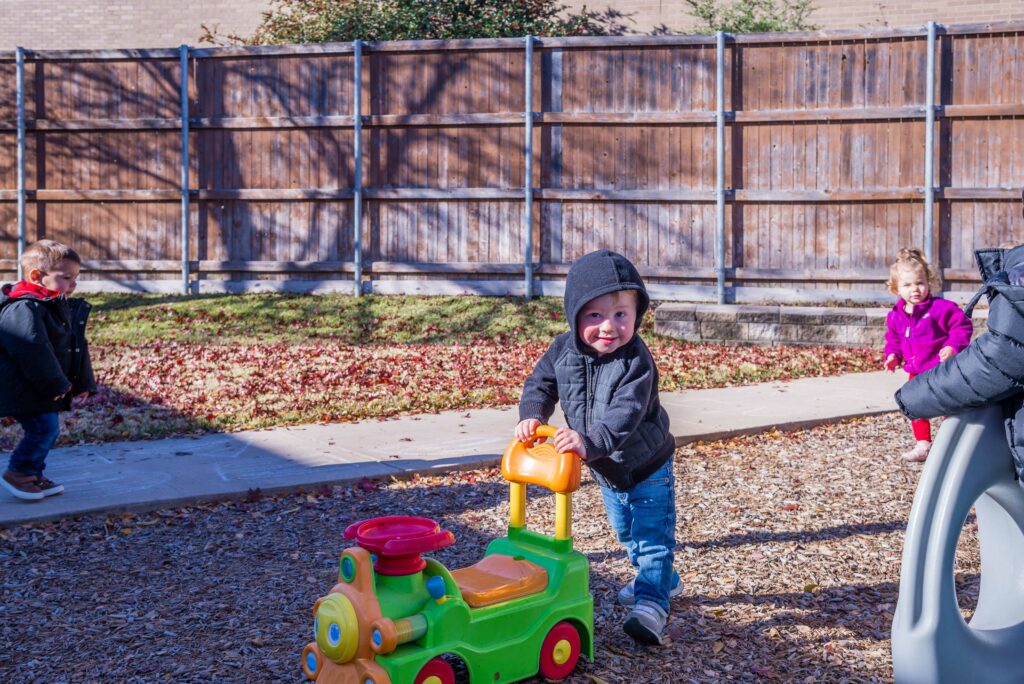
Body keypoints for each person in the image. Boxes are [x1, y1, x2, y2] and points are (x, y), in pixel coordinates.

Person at [515, 249, 678, 646]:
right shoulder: (562, 350)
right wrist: (534, 413)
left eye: (621, 314)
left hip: (648, 464)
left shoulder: (636, 361)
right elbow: (541, 382)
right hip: (606, 469)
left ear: (636, 316)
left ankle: (652, 605)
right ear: (575, 315)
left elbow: (627, 412)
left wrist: (589, 443)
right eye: (595, 315)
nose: (609, 327)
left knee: (652, 536)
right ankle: (663, 578)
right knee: (627, 533)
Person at [0, 239, 96, 501]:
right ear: (37, 276)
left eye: (75, 277)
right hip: (25, 386)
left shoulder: (54, 305)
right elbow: (32, 349)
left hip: (41, 387)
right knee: (44, 429)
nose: (73, 284)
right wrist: (55, 384)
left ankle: (33, 473)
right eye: (66, 277)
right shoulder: (23, 308)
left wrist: (83, 383)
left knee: (45, 428)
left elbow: (74, 346)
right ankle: (19, 473)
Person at [882, 248, 973, 462]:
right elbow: (893, 340)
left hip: (941, 370)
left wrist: (952, 347)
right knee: (914, 405)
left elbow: (962, 327)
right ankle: (923, 444)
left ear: (928, 282)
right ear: (896, 288)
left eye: (920, 283)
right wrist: (892, 356)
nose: (915, 289)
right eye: (907, 285)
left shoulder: (941, 309)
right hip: (916, 372)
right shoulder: (896, 316)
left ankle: (952, 442)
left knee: (948, 407)